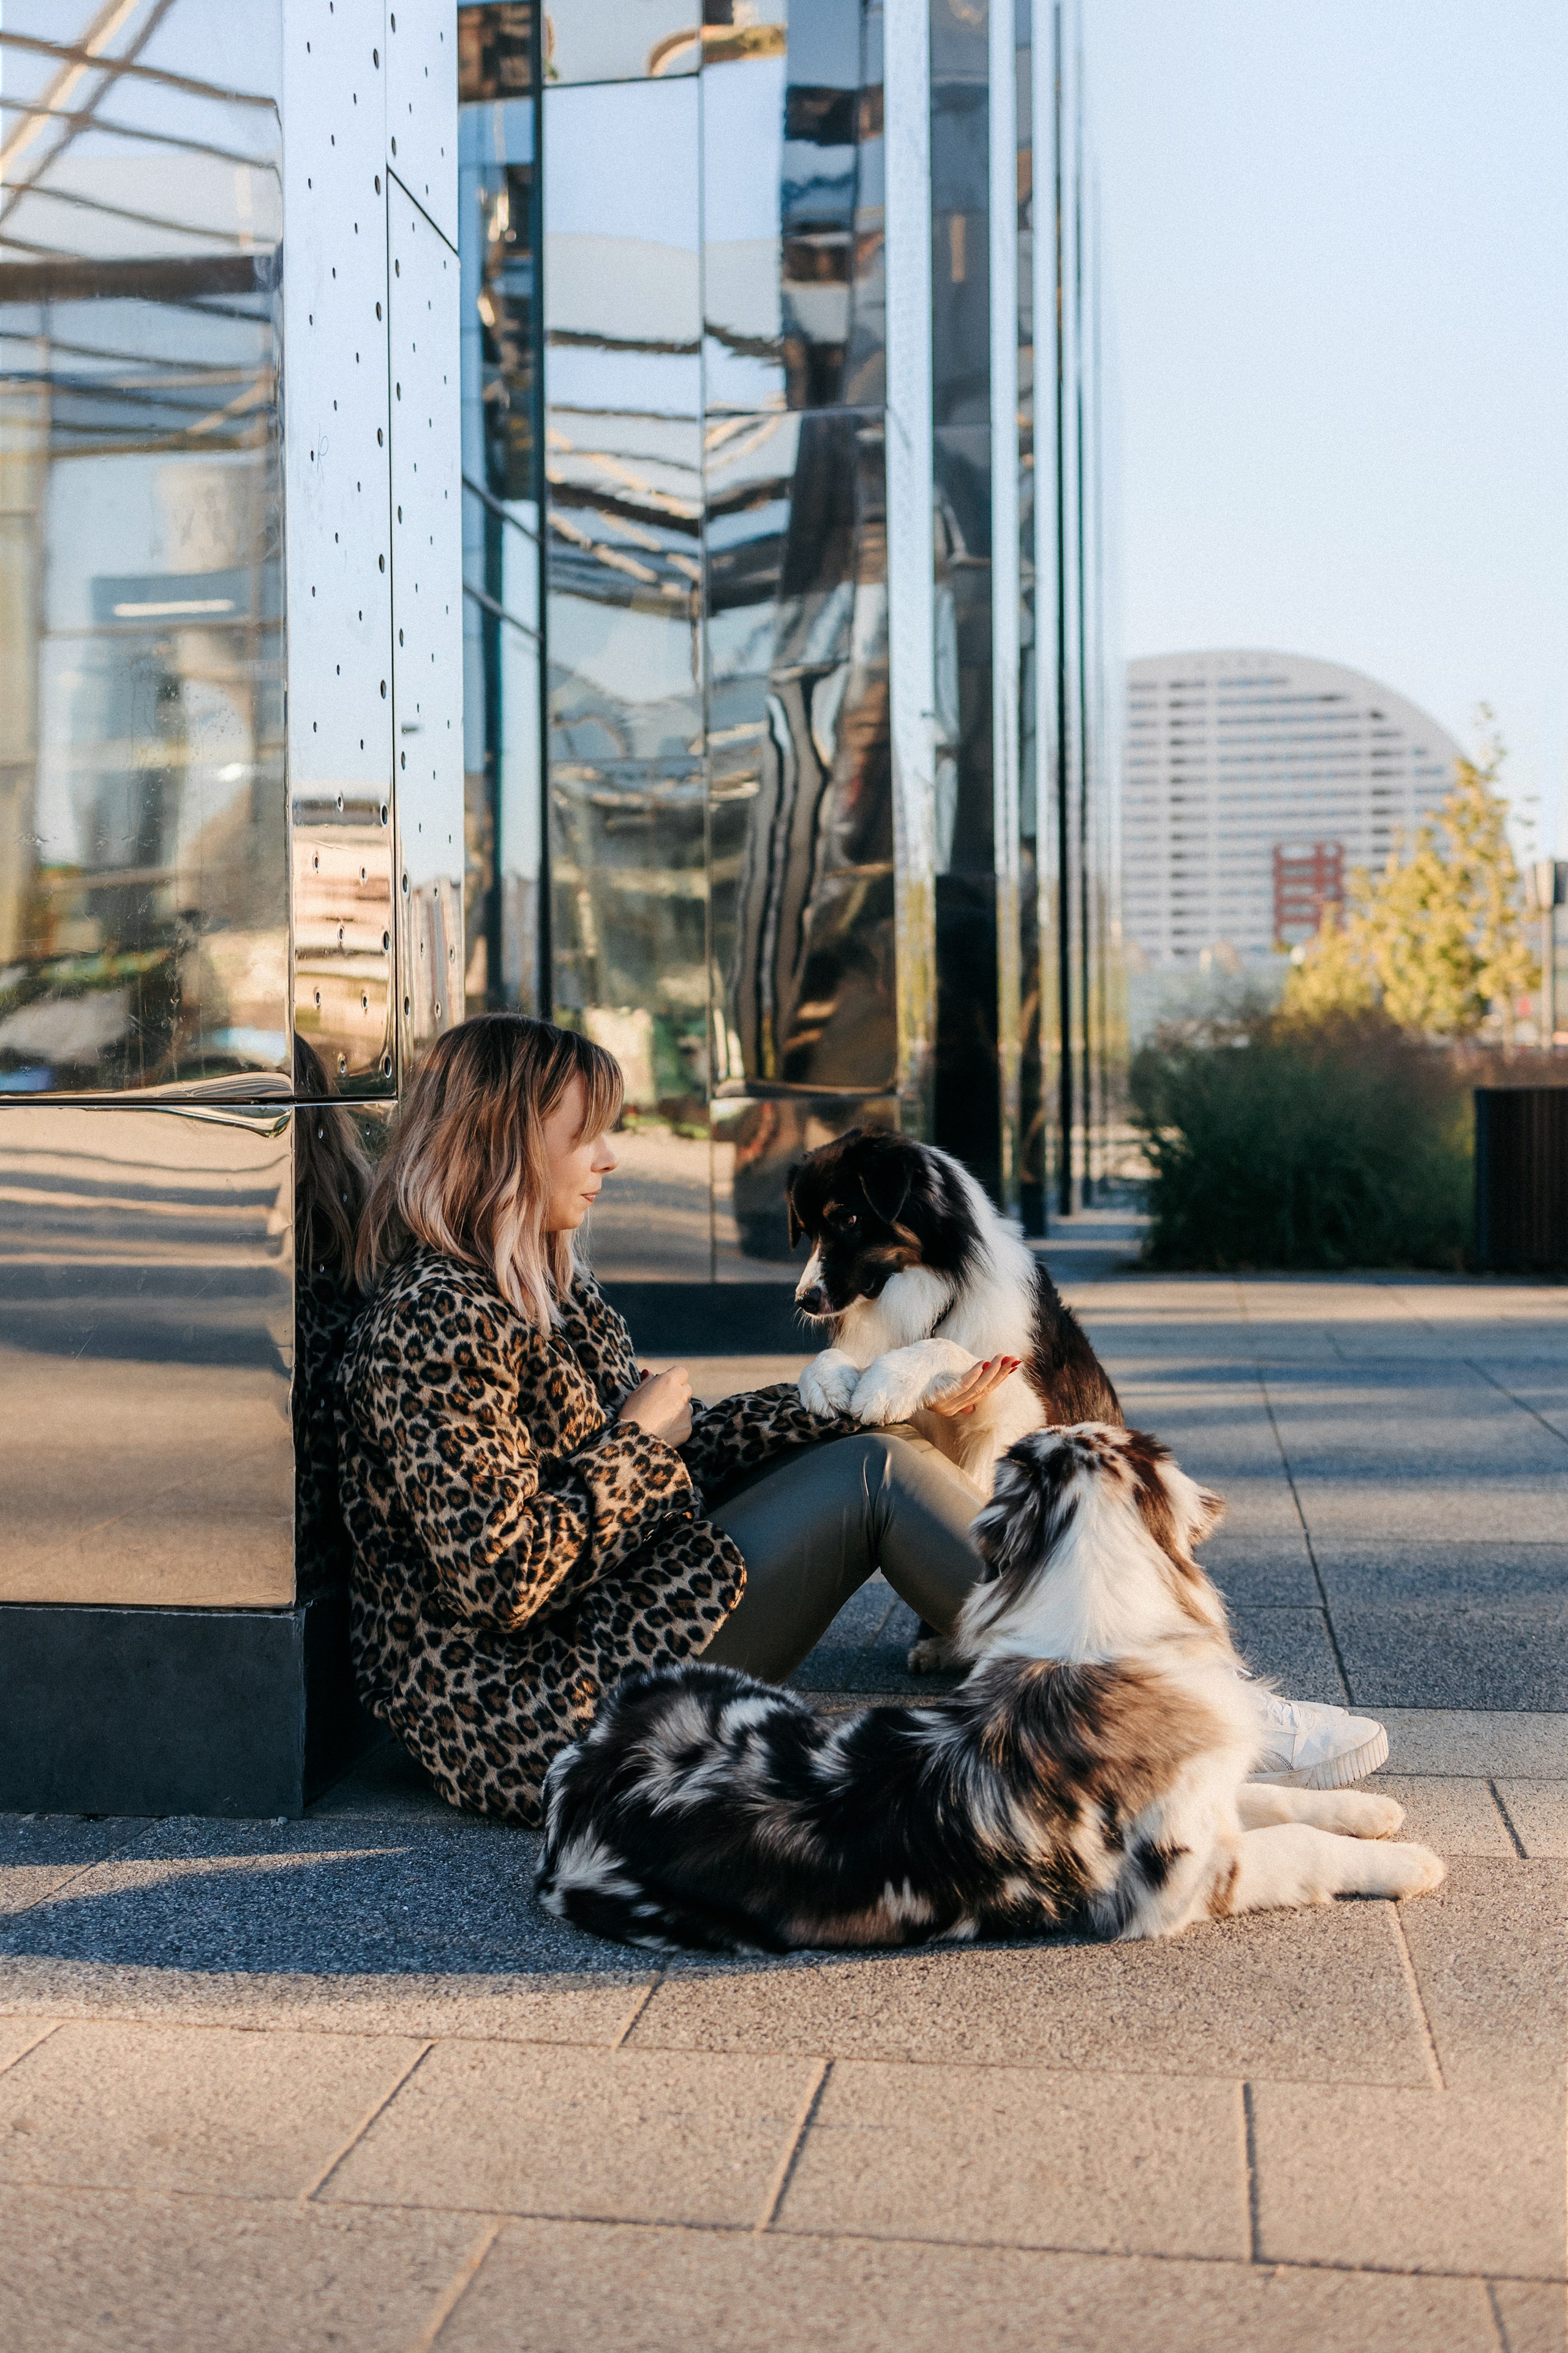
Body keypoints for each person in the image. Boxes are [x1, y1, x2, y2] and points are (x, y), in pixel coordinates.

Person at [337, 1012, 1385, 1827]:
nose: (610, 1157)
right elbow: (502, 1573)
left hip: (614, 1617)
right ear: (505, 1146)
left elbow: (678, 1466)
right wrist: (635, 1443)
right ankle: (1183, 1705)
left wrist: (852, 1398)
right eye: (585, 1135)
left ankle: (1156, 1692)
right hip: (535, 1711)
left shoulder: (548, 1290)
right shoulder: (438, 1316)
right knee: (874, 1479)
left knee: (880, 1443)